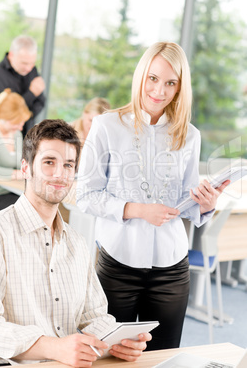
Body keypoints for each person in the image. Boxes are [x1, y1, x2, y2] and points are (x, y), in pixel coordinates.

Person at [76, 42, 230, 351]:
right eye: (153, 78)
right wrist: (136, 209)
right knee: (107, 356)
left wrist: (206, 204)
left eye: (170, 83)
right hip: (118, 265)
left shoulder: (190, 135)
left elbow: (186, 204)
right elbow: (85, 195)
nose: (159, 90)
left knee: (163, 358)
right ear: (141, 76)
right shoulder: (107, 126)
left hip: (172, 271)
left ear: (179, 88)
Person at [0, 119, 151, 367]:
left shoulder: (78, 243)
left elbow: (93, 316)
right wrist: (55, 347)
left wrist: (117, 341)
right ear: (26, 168)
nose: (60, 174)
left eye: (68, 165)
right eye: (49, 162)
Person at [0, 88, 32, 213]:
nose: (21, 127)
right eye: (17, 122)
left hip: (11, 190)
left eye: (22, 122)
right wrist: (18, 174)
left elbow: (21, 163)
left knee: (39, 204)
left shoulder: (16, 134)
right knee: (26, 211)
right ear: (5, 118)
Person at [0, 35, 46, 136]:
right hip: (1, 137)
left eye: (32, 64)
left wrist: (24, 116)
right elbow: (2, 114)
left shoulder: (31, 70)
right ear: (11, 55)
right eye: (24, 63)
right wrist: (31, 94)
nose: (29, 68)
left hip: (26, 135)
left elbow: (41, 101)